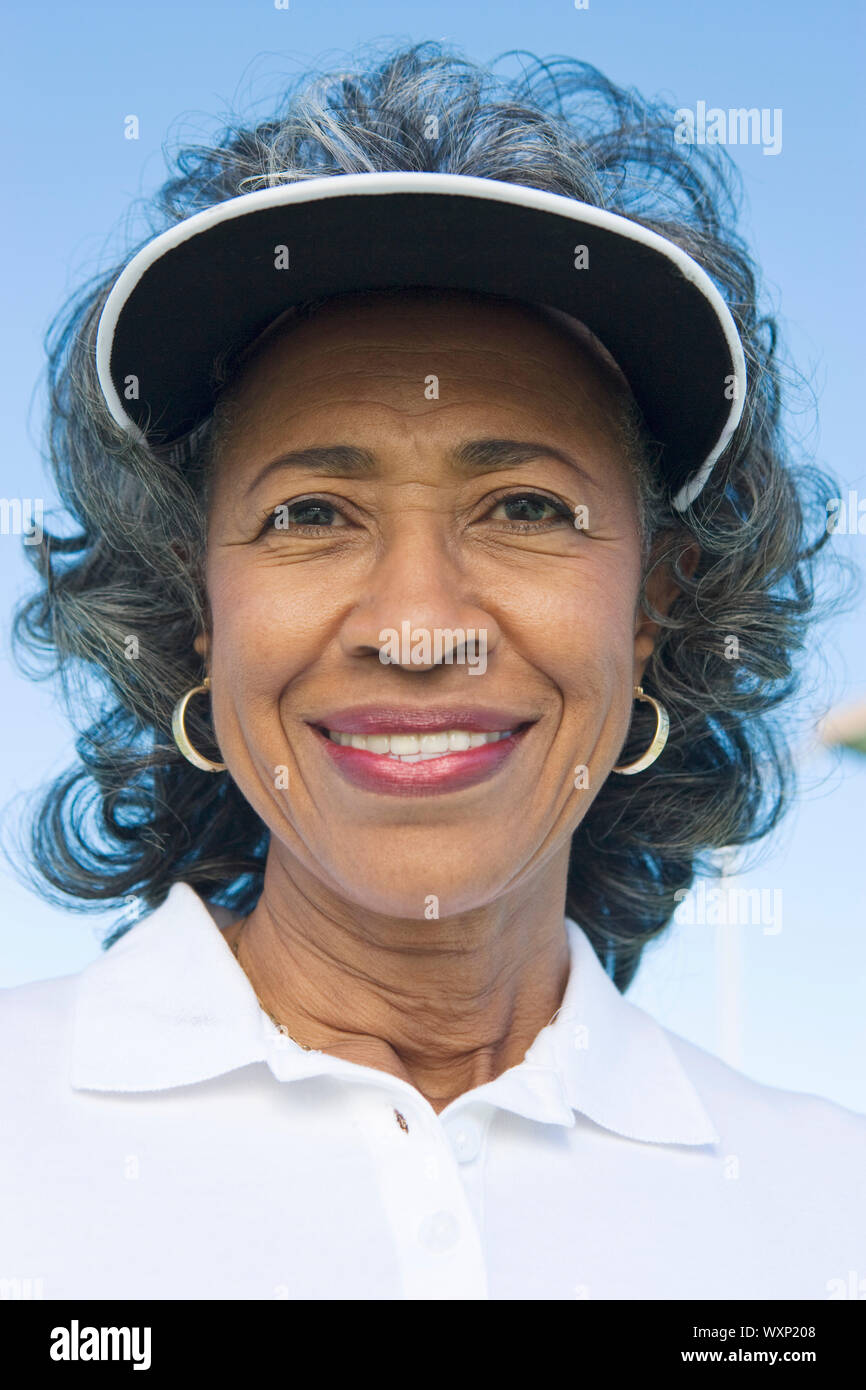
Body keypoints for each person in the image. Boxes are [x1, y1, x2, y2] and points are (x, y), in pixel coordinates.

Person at [1, 41, 862, 1301]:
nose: (416, 625)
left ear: (652, 606)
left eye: (523, 506)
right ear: (195, 600)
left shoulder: (825, 1212)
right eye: (308, 515)